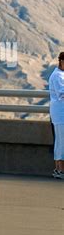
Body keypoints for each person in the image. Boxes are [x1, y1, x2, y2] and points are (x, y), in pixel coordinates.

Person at [49, 51, 64, 179]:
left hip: (59, 113)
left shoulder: (61, 74)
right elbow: (62, 94)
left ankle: (58, 169)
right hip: (60, 114)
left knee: (60, 141)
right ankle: (60, 170)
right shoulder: (58, 76)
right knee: (61, 141)